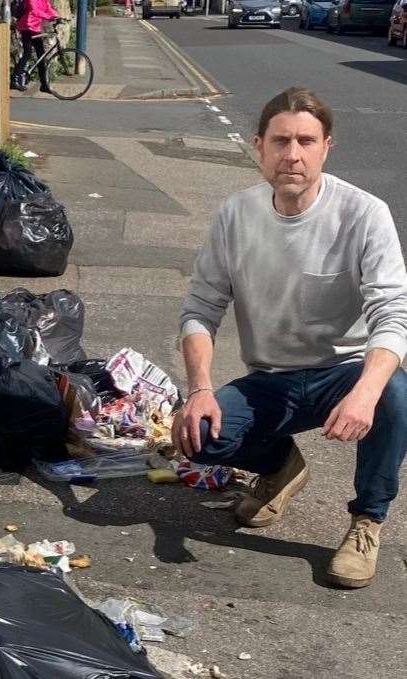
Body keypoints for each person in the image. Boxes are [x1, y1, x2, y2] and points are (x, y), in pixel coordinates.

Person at [173, 87, 407, 589]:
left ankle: (367, 521)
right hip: (272, 378)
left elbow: (394, 314)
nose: (292, 155)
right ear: (259, 145)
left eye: (306, 141)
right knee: (195, 435)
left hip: (341, 374)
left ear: (327, 146)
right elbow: (201, 308)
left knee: (394, 394)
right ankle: (281, 467)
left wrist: (363, 395)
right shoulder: (237, 214)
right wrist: (199, 389)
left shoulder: (365, 214)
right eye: (281, 141)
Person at [11, 0, 59, 94]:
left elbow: (48, 8)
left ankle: (44, 85)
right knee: (27, 53)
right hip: (27, 26)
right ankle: (15, 79)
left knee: (41, 56)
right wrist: (49, 17)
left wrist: (57, 16)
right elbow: (34, 10)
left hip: (35, 28)